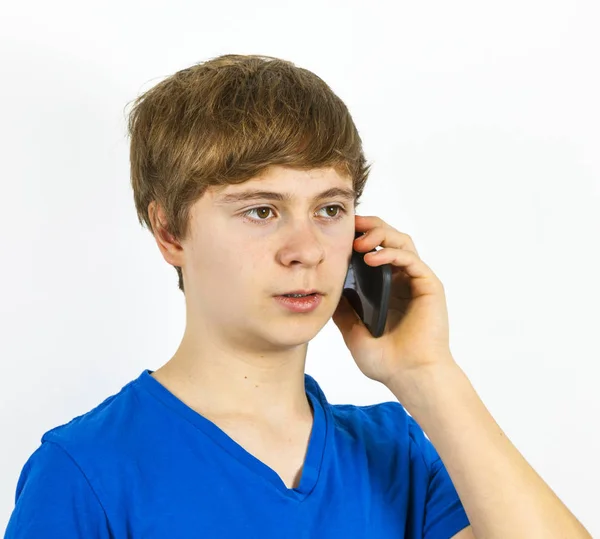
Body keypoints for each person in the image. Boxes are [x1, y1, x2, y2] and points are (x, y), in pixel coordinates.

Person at [4, 54, 591, 539]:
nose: (306, 249)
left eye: (330, 209)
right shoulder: (86, 471)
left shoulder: (397, 454)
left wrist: (425, 372)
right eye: (262, 211)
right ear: (169, 232)